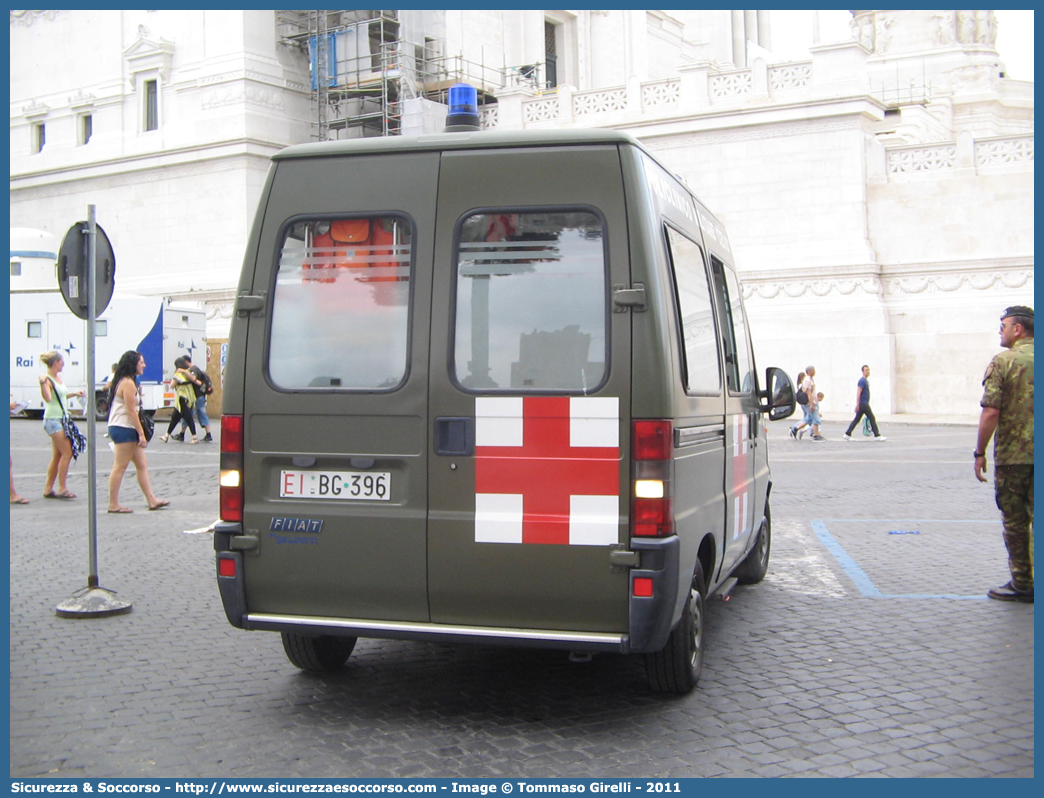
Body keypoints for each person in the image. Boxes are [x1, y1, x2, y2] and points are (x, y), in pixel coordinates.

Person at [975, 305, 1034, 603]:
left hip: (1015, 458)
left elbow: (991, 412)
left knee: (1015, 521)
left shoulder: (1004, 362)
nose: (1001, 331)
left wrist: (979, 452)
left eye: (1004, 326)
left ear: (1018, 329)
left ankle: (1023, 583)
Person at [106, 350, 168, 513]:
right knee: (120, 466)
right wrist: (141, 434)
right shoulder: (127, 383)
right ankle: (113, 504)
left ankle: (151, 499)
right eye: (141, 362)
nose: (144, 365)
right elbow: (131, 411)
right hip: (124, 427)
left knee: (142, 464)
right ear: (133, 364)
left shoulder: (129, 381)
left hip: (126, 427)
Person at [38, 350, 85, 499]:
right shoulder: (47, 379)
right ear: (56, 362)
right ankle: (62, 488)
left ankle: (48, 488)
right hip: (53, 420)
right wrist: (42, 384)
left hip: (61, 418)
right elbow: (48, 398)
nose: (63, 364)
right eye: (62, 362)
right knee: (67, 452)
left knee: (58, 455)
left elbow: (61, 395)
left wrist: (75, 394)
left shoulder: (58, 377)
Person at [160, 356, 200, 444]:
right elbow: (194, 379)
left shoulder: (178, 375)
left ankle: (195, 437)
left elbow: (172, 385)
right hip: (189, 398)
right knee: (175, 417)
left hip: (182, 399)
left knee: (188, 418)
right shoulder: (188, 373)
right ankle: (166, 436)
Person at [175, 355, 213, 442]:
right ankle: (208, 434)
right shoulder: (197, 368)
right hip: (201, 396)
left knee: (187, 415)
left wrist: (183, 372)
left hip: (196, 396)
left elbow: (193, 379)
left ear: (186, 362)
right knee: (202, 414)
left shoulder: (193, 370)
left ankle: (182, 434)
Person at [843, 365, 887, 441]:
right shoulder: (862, 381)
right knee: (872, 418)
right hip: (863, 404)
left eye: (868, 370)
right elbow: (858, 393)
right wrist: (857, 404)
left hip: (864, 403)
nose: (868, 372)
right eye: (866, 370)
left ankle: (847, 433)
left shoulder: (865, 381)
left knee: (857, 419)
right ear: (863, 371)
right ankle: (877, 435)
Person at [790, 366, 824, 440]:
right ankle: (816, 435)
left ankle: (795, 429)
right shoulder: (807, 380)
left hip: (811, 403)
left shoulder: (809, 379)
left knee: (809, 419)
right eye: (813, 370)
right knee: (816, 419)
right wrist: (812, 404)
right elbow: (808, 393)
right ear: (809, 371)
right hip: (810, 403)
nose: (815, 372)